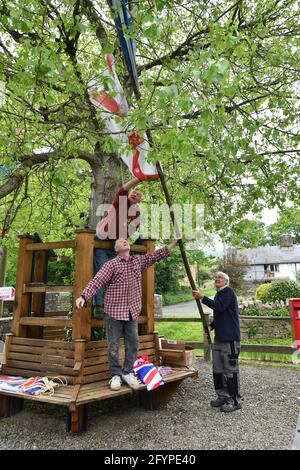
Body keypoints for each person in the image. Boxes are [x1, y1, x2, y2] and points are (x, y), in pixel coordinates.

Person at [76, 237, 179, 391]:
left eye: (126, 241)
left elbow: (154, 256)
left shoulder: (137, 261)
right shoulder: (111, 265)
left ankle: (127, 372)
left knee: (133, 344)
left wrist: (173, 244)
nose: (125, 241)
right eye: (121, 241)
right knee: (113, 345)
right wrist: (84, 296)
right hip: (114, 312)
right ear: (116, 249)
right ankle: (115, 375)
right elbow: (96, 281)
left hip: (132, 312)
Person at [192, 271, 242, 413]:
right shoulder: (219, 294)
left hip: (230, 340)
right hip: (219, 339)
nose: (217, 279)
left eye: (220, 277)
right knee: (218, 370)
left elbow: (219, 307)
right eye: (215, 277)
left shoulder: (229, 292)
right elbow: (221, 314)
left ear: (227, 281)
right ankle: (222, 396)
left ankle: (235, 400)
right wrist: (211, 326)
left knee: (231, 371)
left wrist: (202, 297)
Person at [93, 177, 142, 312]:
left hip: (114, 246)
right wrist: (139, 179)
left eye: (138, 195)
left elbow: (129, 232)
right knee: (101, 273)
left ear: (138, 202)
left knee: (116, 275)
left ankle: (114, 306)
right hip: (101, 241)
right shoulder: (121, 202)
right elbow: (124, 188)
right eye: (135, 192)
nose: (135, 194)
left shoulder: (136, 214)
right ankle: (98, 306)